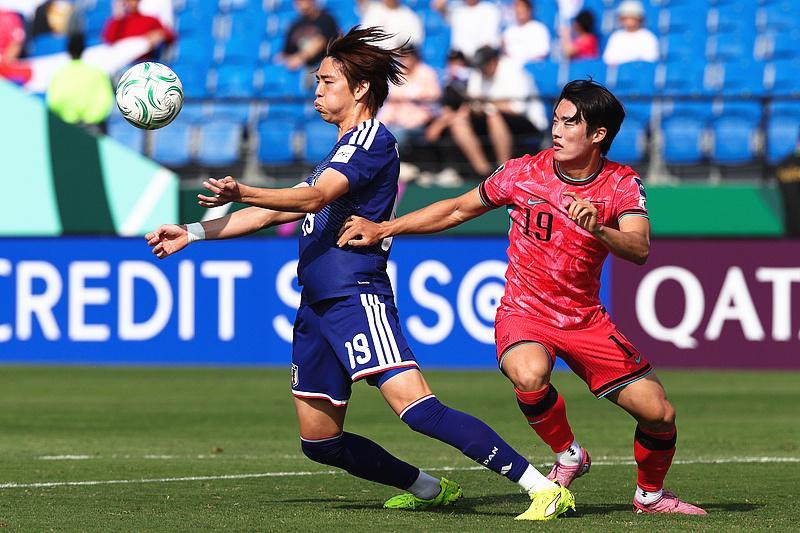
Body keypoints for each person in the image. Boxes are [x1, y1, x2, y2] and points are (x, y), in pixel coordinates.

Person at [146, 27, 574, 521]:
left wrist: (243, 189)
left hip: (356, 295)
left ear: (361, 87)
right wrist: (192, 232)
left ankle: (541, 487)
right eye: (317, 81)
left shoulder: (371, 140)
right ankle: (429, 488)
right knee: (320, 441)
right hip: (317, 304)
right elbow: (274, 212)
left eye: (327, 81)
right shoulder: (339, 152)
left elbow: (311, 199)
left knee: (419, 409)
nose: (317, 91)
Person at [338, 79, 708, 516]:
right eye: (555, 120)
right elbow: (457, 208)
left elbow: (639, 248)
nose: (556, 130)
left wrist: (598, 228)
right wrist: (384, 228)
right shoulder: (523, 172)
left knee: (659, 413)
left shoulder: (621, 183)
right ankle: (569, 453)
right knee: (528, 374)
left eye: (569, 123)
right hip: (525, 311)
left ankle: (650, 496)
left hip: (585, 318)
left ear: (598, 134)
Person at [429, 45, 547, 177]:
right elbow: (474, 102)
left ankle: (503, 172)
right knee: (460, 122)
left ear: (494, 61)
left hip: (527, 122)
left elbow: (518, 108)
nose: (482, 69)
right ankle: (484, 173)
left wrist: (487, 104)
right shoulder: (478, 72)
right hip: (492, 119)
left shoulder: (513, 70)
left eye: (484, 65)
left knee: (493, 114)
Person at [46, 33, 114, 135]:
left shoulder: (59, 74)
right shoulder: (97, 73)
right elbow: (105, 100)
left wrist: (71, 116)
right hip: (93, 127)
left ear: (68, 51)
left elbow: (54, 101)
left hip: (69, 128)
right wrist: (90, 118)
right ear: (83, 49)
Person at [378, 44, 440, 151]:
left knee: (395, 137)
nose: (404, 60)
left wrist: (413, 98)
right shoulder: (398, 74)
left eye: (407, 57)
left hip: (417, 121)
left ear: (415, 58)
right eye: (402, 57)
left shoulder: (426, 72)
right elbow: (391, 101)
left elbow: (434, 97)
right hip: (395, 120)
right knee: (378, 135)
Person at [102, 0, 175, 60]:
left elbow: (170, 35)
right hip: (121, 62)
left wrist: (160, 34)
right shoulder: (118, 22)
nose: (132, 3)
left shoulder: (150, 20)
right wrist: (118, 16)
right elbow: (109, 40)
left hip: (143, 62)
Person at [432, 0, 501, 61]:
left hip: (481, 61)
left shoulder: (490, 10)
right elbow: (437, 5)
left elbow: (490, 43)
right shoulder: (456, 8)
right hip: (459, 61)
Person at [281, 0, 339, 71]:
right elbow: (285, 53)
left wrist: (300, 57)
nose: (300, 3)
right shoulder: (294, 25)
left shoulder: (326, 19)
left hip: (323, 65)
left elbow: (320, 43)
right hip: (301, 69)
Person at [602, 0, 658, 65]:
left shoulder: (648, 37)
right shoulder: (616, 36)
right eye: (625, 18)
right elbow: (608, 59)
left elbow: (650, 60)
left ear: (639, 18)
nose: (629, 21)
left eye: (632, 17)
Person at [358, 0, 424, 50]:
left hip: (393, 61)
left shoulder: (410, 17)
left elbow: (413, 45)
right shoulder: (371, 9)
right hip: (367, 57)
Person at [502, 0, 551, 64]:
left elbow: (542, 55)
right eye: (517, 7)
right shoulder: (508, 32)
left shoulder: (539, 29)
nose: (519, 10)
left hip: (533, 68)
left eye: (522, 7)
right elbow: (505, 55)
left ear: (529, 10)